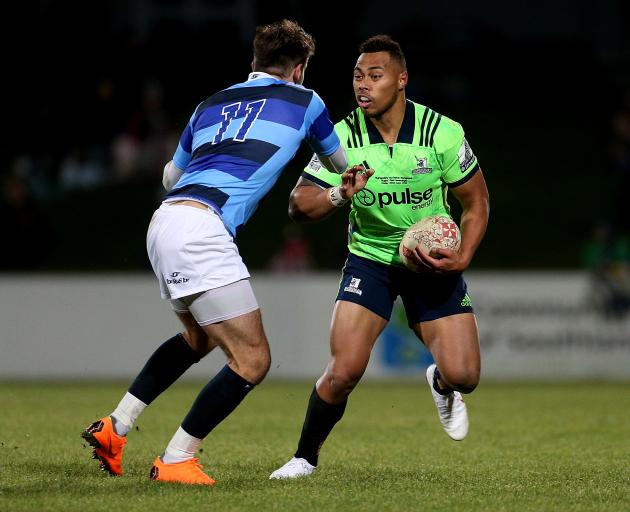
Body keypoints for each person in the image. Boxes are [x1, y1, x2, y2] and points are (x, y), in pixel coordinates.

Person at [81, 19, 349, 486]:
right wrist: (349, 186)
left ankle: (116, 426)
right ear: (300, 68)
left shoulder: (211, 103)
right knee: (252, 360)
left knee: (198, 338)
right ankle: (178, 457)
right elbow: (338, 165)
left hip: (165, 220)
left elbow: (169, 175)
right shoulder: (306, 101)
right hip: (202, 228)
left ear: (253, 62)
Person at [270, 35, 490, 479]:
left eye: (375, 75)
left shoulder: (440, 133)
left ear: (401, 79)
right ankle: (304, 458)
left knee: (465, 375)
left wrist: (463, 255)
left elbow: (477, 203)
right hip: (370, 260)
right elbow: (299, 204)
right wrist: (338, 192)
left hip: (429, 261)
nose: (362, 85)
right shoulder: (343, 137)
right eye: (357, 76)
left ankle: (442, 384)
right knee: (344, 369)